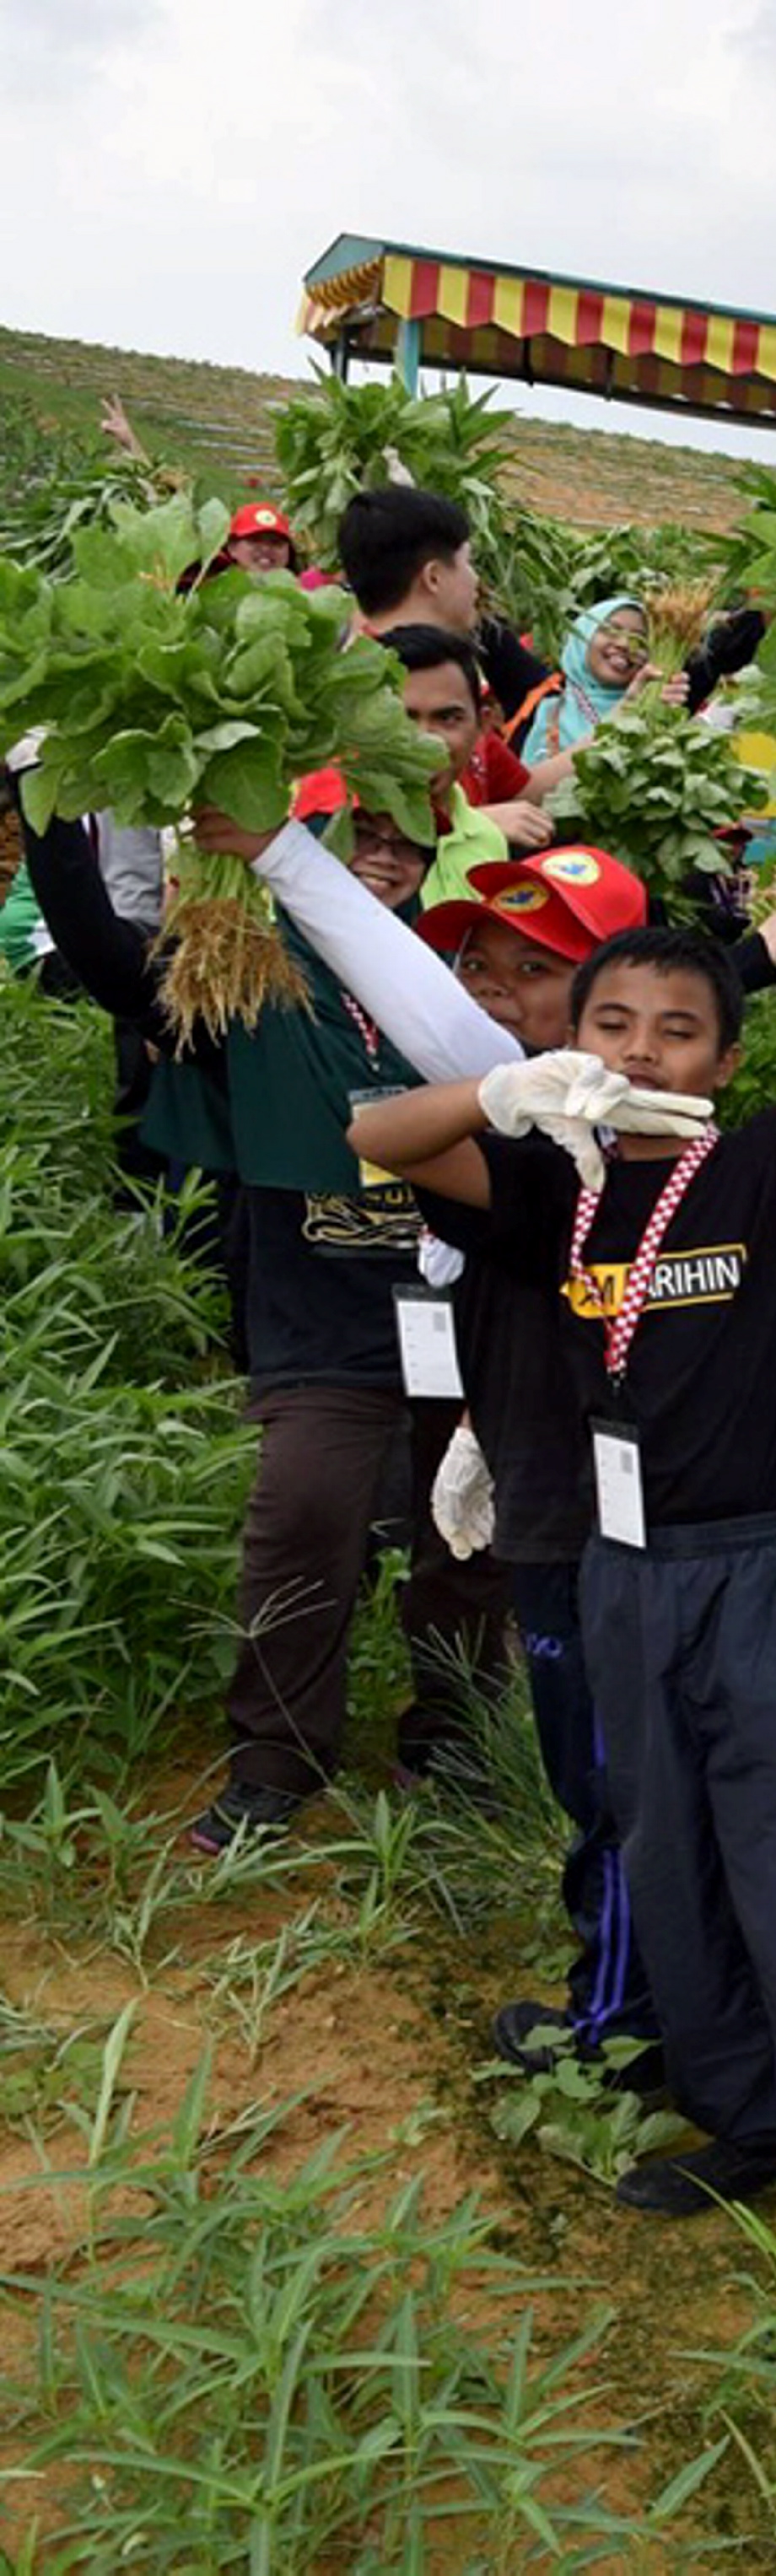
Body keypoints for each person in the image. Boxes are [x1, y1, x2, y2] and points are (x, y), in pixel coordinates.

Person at [349, 912, 776, 2327]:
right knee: (674, 1863)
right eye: (611, 1022)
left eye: (675, 1028)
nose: (638, 1049)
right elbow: (382, 1133)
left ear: (726, 1056)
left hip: (772, 1573)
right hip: (626, 1574)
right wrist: (504, 1092)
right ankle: (747, 2119)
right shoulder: (548, 1188)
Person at [243, 823, 671, 2083]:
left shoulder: (626, 1126)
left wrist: (280, 849)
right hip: (550, 1496)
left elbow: (439, 1041)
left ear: (620, 1008)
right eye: (478, 952)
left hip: (636, 1526)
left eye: (531, 963)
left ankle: (637, 2022)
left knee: (627, 1774)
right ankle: (623, 1996)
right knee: (589, 1768)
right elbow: (415, 1109)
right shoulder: (534, 1134)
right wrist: (482, 1420)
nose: (492, 981)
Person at [30, 778, 512, 1851]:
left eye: (401, 837)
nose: (381, 854)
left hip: (473, 1330)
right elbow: (106, 958)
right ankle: (275, 1760)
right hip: (323, 1334)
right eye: (358, 835)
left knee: (467, 1538)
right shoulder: (246, 984)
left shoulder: (474, 974)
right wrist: (44, 796)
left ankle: (456, 1742)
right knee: (302, 1518)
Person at [331, 484, 551, 732]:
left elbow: (508, 774)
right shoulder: (431, 686)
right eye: (468, 563)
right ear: (434, 577)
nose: (476, 580)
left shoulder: (346, 670)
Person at [369, 624, 537, 905]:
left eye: (447, 719)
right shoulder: (330, 830)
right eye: (403, 718)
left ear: (483, 725)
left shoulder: (486, 839)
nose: (426, 740)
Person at [516, 596, 652, 768]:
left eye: (639, 640)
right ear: (583, 635)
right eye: (611, 630)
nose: (624, 644)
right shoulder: (552, 713)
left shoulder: (654, 714)